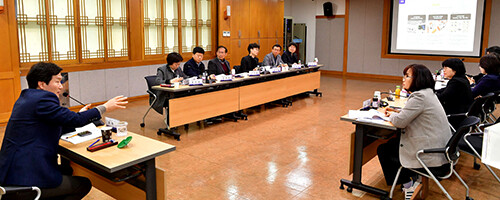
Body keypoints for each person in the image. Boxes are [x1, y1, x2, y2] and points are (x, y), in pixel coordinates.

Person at [0, 62, 128, 199]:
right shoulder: (42, 99)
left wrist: (78, 115)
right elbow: (75, 120)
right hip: (26, 175)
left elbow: (57, 122)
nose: (61, 87)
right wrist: (105, 107)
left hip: (11, 170)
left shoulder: (28, 97)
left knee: (67, 170)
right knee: (83, 184)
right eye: (57, 81)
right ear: (42, 84)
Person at [378, 64, 451, 188]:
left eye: (407, 76)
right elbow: (411, 114)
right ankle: (410, 180)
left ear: (418, 79)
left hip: (429, 153)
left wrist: (387, 115)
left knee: (384, 150)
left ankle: (407, 185)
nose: (403, 79)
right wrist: (396, 113)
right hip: (442, 149)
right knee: (392, 144)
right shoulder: (428, 93)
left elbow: (400, 122)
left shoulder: (419, 97)